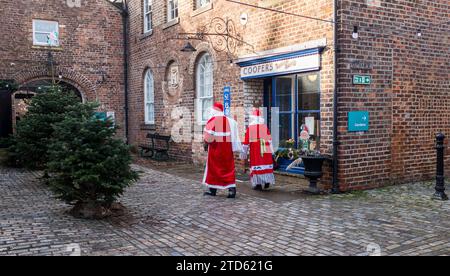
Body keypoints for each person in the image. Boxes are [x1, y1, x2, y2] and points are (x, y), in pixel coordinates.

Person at [203, 102, 242, 198]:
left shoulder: (213, 120)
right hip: (227, 150)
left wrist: (205, 144)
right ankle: (232, 190)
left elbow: (208, 136)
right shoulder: (230, 121)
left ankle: (213, 190)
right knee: (228, 168)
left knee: (214, 169)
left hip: (215, 149)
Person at [240, 108, 275, 190]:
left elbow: (246, 142)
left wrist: (243, 154)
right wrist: (272, 151)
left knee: (257, 165)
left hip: (256, 149)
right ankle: (267, 182)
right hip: (265, 148)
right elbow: (269, 140)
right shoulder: (264, 127)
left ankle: (258, 184)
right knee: (265, 164)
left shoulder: (251, 128)